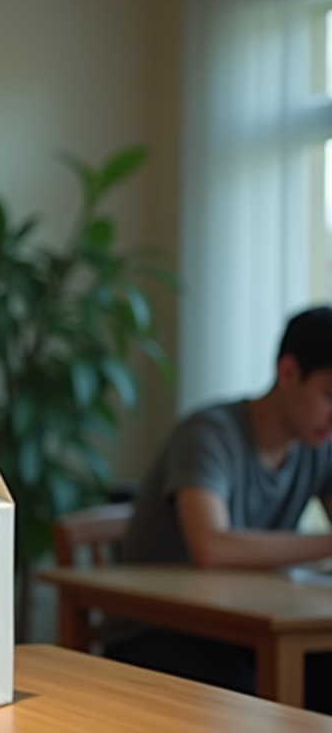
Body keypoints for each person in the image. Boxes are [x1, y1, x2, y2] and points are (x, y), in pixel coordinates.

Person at [106, 305, 332, 711]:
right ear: (287, 373)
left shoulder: (318, 446)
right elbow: (211, 546)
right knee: (246, 706)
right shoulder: (209, 435)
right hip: (160, 629)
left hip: (246, 628)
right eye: (330, 395)